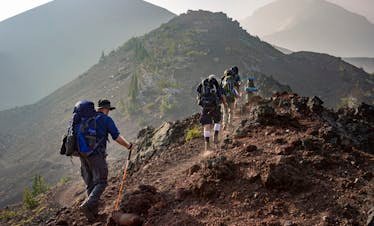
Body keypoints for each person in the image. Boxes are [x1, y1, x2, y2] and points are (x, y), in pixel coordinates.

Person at [79, 99, 133, 221]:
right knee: (101, 182)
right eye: (108, 109)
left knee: (91, 183)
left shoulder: (87, 119)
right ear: (105, 109)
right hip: (96, 154)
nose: (108, 112)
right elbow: (116, 137)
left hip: (83, 155)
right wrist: (128, 145)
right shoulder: (105, 119)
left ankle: (92, 215)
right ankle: (87, 205)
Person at [197, 74, 225, 151]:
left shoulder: (202, 85)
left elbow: (198, 94)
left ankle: (207, 144)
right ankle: (215, 137)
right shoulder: (215, 84)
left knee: (206, 125)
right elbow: (220, 95)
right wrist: (223, 103)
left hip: (205, 107)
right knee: (217, 121)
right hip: (214, 106)